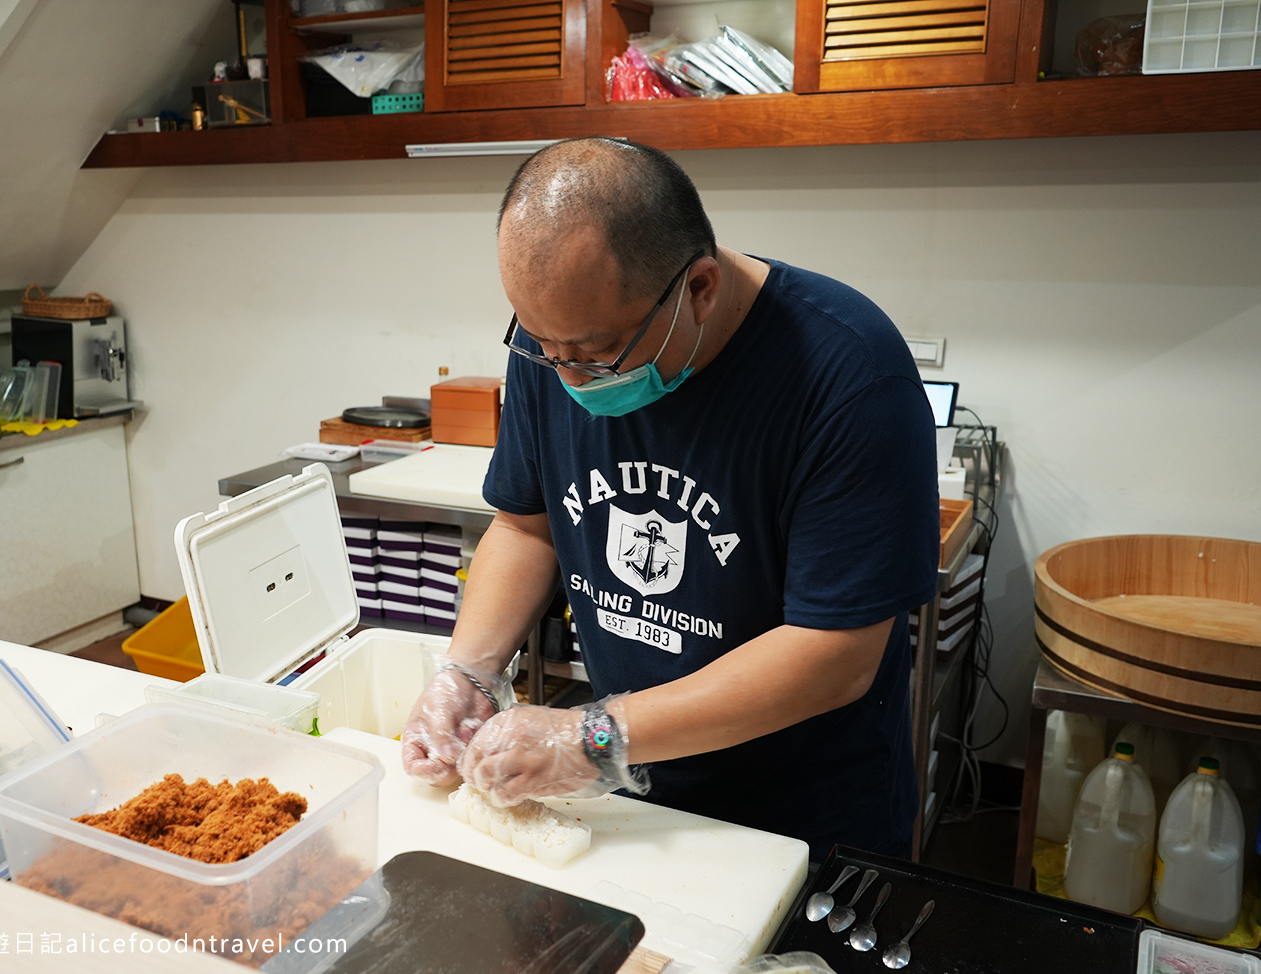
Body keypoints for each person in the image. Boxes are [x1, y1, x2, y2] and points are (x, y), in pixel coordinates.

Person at [400, 137, 940, 859]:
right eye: (541, 345)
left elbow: (835, 653)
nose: (569, 377)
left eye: (596, 354)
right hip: (630, 805)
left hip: (803, 821)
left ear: (701, 288)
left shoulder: (850, 376)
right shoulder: (557, 343)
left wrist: (593, 733)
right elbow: (527, 527)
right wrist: (467, 671)